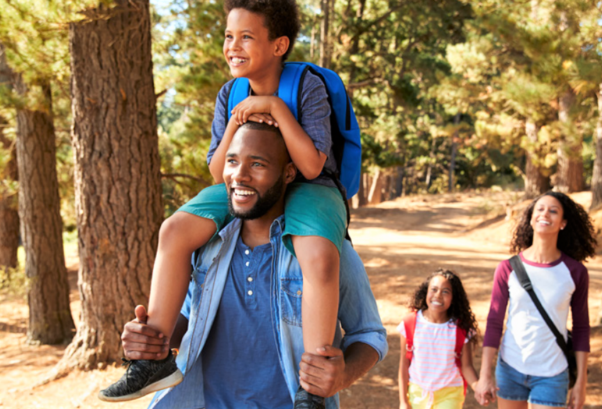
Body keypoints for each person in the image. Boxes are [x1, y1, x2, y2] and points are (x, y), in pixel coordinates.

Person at [99, 0, 350, 407]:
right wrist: (238, 117)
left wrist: (276, 109)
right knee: (174, 230)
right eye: (229, 36)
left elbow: (310, 164)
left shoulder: (307, 86)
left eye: (247, 37)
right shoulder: (229, 92)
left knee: (318, 255)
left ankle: (311, 386)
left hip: (311, 186)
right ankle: (154, 357)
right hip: (246, 180)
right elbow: (220, 174)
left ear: (279, 45)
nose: (233, 45)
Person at [102, 122, 387, 409]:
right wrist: (149, 340)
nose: (240, 175)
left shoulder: (326, 251)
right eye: (232, 161)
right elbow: (189, 319)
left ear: (288, 172)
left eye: (258, 164)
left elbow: (369, 334)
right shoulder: (204, 245)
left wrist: (342, 375)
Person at [474, 191, 596, 409]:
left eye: (553, 211)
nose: (545, 214)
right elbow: (494, 323)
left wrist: (581, 382)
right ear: (531, 219)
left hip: (552, 372)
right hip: (510, 368)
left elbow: (581, 329)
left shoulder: (575, 272)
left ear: (563, 223)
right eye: (539, 209)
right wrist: (485, 375)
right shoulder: (508, 268)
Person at [397, 269, 481, 409]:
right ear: (426, 292)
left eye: (445, 291)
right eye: (434, 289)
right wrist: (403, 401)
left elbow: (467, 367)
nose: (438, 295)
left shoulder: (460, 329)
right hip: (417, 392)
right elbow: (404, 366)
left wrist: (478, 386)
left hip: (450, 393)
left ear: (454, 298)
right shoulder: (410, 323)